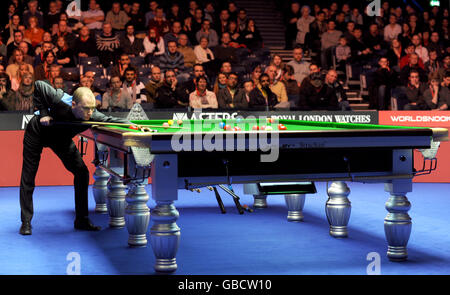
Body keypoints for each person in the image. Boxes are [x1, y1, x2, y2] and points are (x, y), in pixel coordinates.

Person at [18, 80, 130, 235]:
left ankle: (82, 220)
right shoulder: (60, 98)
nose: (90, 113)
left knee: (82, 172)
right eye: (85, 109)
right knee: (28, 176)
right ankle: (26, 222)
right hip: (37, 132)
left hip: (61, 139)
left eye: (92, 109)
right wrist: (44, 113)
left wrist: (133, 124)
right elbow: (38, 85)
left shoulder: (92, 115)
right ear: (73, 104)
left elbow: (112, 120)